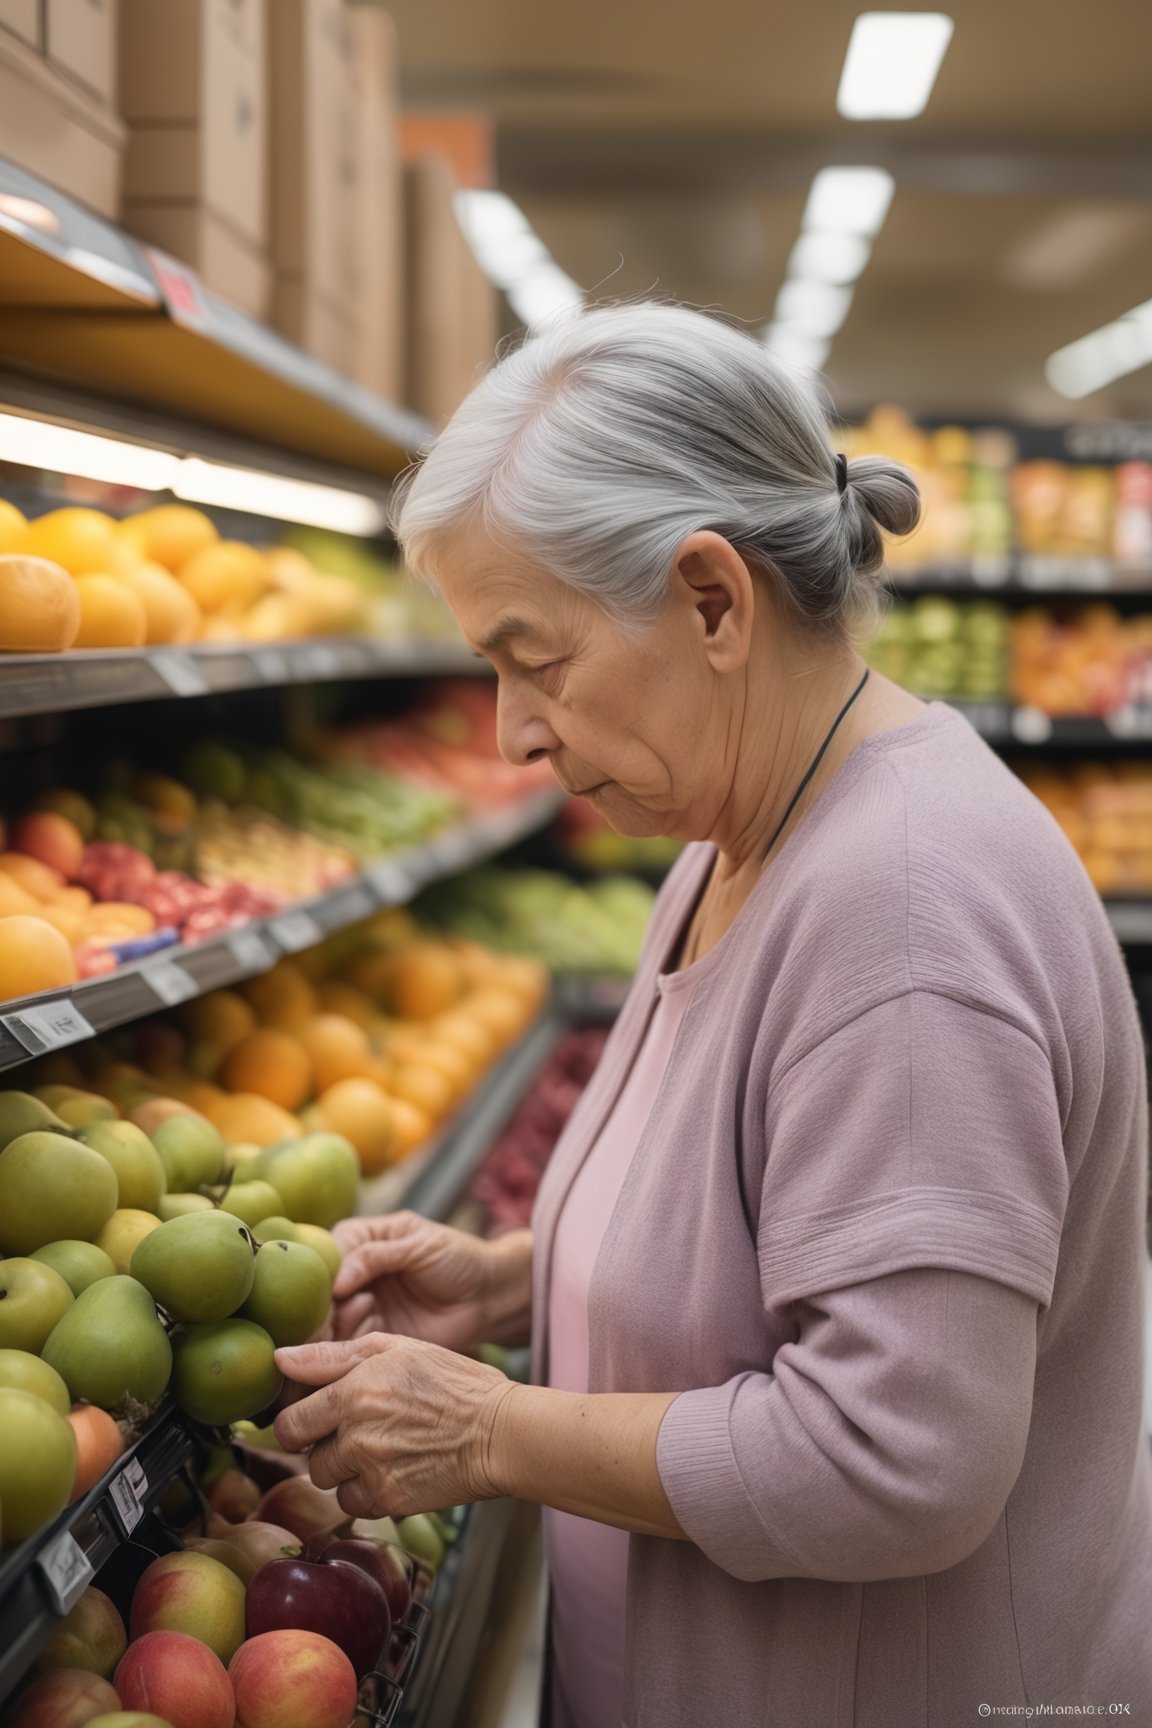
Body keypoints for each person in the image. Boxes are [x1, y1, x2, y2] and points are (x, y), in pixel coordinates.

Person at [273, 303, 1152, 1726]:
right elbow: (772, 1223)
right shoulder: (745, 826)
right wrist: (517, 1281)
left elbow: (898, 1459)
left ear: (711, 602)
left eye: (533, 657)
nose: (510, 730)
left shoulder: (904, 911)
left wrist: (490, 1430)